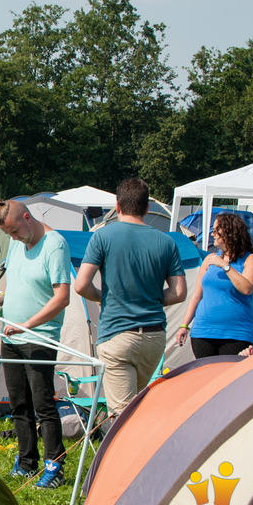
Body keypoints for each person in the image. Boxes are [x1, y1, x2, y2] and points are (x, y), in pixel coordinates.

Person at [74, 178, 186, 419]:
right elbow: (179, 292)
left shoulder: (103, 236)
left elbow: (81, 285)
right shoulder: (167, 241)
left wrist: (102, 297)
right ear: (147, 208)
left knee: (121, 417)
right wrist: (151, 299)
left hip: (117, 336)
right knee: (136, 409)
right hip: (154, 338)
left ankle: (126, 457)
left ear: (117, 205)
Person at [0, 199, 71, 489]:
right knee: (18, 404)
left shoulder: (55, 244)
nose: (14, 238)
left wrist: (27, 324)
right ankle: (26, 461)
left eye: (16, 232)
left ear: (27, 217)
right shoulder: (16, 244)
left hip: (39, 338)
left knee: (43, 404)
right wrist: (3, 298)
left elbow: (62, 297)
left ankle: (55, 464)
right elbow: (17, 279)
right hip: (11, 337)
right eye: (10, 235)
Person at [177, 213, 253, 357]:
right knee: (207, 378)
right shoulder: (210, 259)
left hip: (235, 333)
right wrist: (184, 325)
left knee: (230, 377)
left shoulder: (250, 259)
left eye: (215, 230)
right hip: (203, 331)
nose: (212, 234)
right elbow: (196, 296)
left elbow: (247, 289)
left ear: (229, 233)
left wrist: (225, 266)